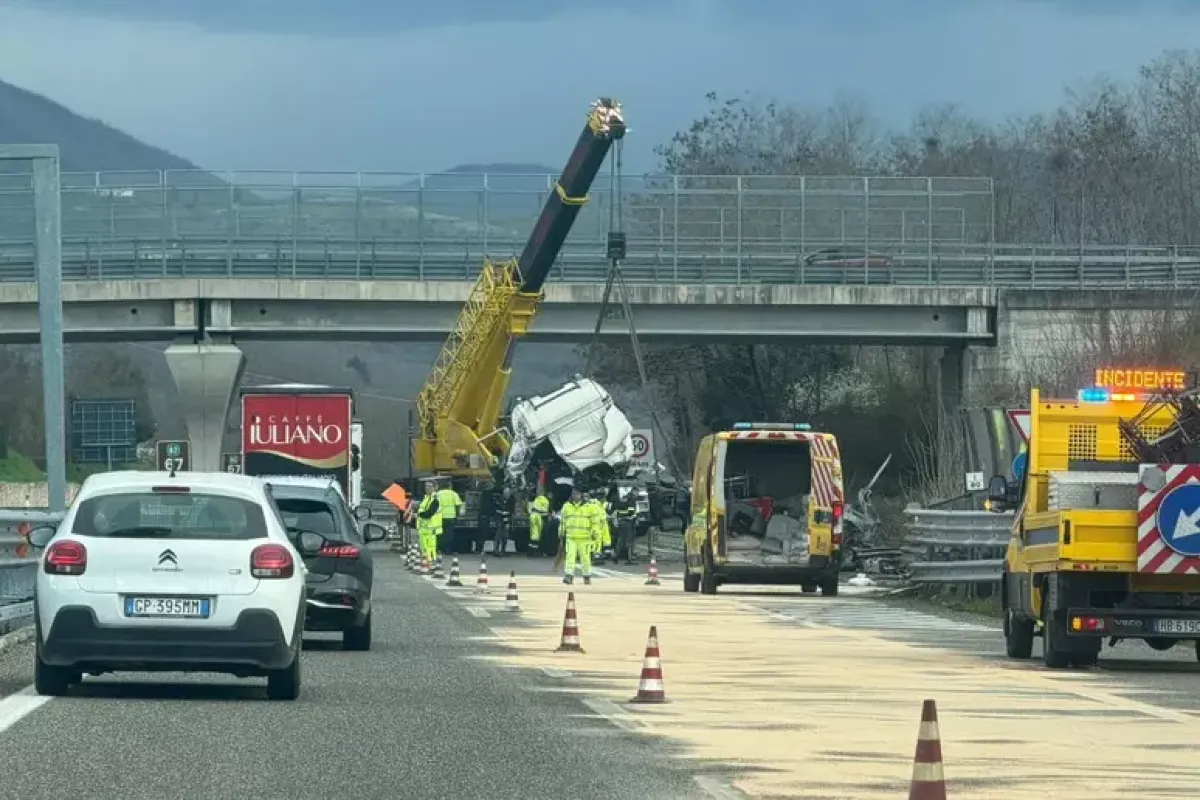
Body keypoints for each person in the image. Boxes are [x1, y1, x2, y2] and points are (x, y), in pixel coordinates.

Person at [559, 486, 595, 585]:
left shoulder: (589, 507)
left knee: (585, 558)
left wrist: (595, 533)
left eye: (577, 494)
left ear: (582, 495)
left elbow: (594, 521)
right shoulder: (567, 506)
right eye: (574, 493)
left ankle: (586, 576)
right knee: (570, 557)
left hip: (585, 538)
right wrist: (561, 533)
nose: (575, 495)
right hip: (571, 537)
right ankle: (569, 576)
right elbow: (563, 521)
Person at [434, 476, 465, 554]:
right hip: (450, 517)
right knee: (448, 534)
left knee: (439, 534)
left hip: (439, 517)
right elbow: (458, 505)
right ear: (449, 486)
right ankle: (447, 550)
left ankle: (438, 549)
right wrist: (457, 515)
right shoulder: (453, 494)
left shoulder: (438, 494)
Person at [415, 478, 442, 566]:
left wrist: (418, 515)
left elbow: (430, 513)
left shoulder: (435, 499)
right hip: (423, 527)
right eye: (426, 486)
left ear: (435, 488)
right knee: (423, 546)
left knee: (431, 546)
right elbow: (422, 510)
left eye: (430, 486)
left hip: (431, 527)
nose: (427, 488)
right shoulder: (426, 498)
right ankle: (426, 561)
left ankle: (431, 562)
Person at [611, 485, 639, 564]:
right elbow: (630, 512)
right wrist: (635, 517)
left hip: (621, 521)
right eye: (637, 492)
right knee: (629, 541)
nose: (638, 494)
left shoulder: (623, 498)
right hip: (628, 522)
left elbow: (617, 508)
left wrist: (619, 514)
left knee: (621, 540)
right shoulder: (632, 499)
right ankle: (630, 559)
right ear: (634, 491)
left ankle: (615, 556)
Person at [587, 488, 612, 563]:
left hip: (602, 524)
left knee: (603, 539)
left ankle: (602, 553)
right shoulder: (594, 504)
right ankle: (595, 555)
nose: (605, 499)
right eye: (604, 497)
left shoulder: (602, 504)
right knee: (596, 540)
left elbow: (605, 509)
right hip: (595, 525)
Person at [528, 491, 550, 557]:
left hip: (533, 516)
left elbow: (530, 509)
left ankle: (531, 551)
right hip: (539, 517)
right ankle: (536, 552)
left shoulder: (535, 500)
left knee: (533, 534)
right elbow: (545, 512)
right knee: (538, 535)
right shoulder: (546, 501)